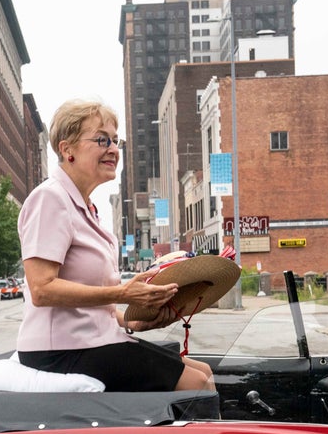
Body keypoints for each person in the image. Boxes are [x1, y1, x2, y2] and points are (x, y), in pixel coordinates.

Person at [15, 99, 213, 391]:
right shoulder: (50, 199)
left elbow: (93, 310)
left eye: (115, 140)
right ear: (67, 149)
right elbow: (42, 289)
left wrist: (133, 322)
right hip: (58, 351)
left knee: (204, 371)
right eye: (101, 139)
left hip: (91, 341)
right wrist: (123, 292)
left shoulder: (86, 207)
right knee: (196, 383)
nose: (113, 149)